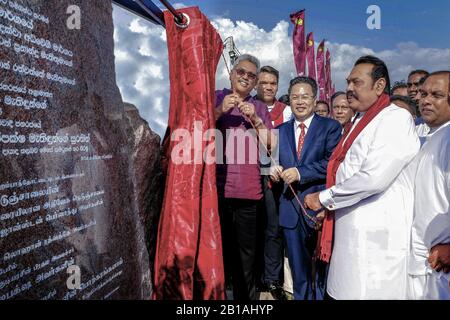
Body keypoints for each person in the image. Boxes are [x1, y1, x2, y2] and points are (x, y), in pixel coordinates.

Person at [305, 55, 420, 299]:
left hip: (375, 246)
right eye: (348, 82)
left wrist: (325, 198)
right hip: (350, 240)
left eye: (356, 82)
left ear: (379, 86)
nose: (348, 88)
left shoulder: (395, 119)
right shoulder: (359, 120)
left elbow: (372, 178)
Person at [270, 76, 341, 300]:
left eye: (305, 96)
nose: (300, 101)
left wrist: (301, 173)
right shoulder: (279, 131)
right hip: (290, 209)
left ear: (314, 98)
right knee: (299, 271)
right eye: (295, 97)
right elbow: (268, 160)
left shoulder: (330, 127)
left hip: (319, 209)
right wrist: (272, 169)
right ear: (289, 100)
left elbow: (332, 163)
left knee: (321, 271)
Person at [215, 54, 275, 300]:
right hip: (217, 189)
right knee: (217, 251)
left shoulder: (259, 106)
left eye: (252, 76)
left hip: (248, 192)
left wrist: (258, 121)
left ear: (255, 82)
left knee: (246, 256)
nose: (245, 77)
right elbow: (195, 127)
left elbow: (271, 146)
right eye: (241, 72)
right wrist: (220, 110)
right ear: (231, 74)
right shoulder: (217, 96)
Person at [407, 71, 450, 300]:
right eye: (423, 94)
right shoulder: (427, 136)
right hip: (420, 259)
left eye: (436, 95)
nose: (426, 100)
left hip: (440, 262)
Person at [254, 65, 289, 299]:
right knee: (249, 230)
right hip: (247, 176)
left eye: (272, 83)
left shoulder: (285, 111)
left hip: (273, 178)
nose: (268, 86)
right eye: (264, 82)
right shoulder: (247, 105)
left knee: (273, 230)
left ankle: (272, 279)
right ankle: (252, 277)